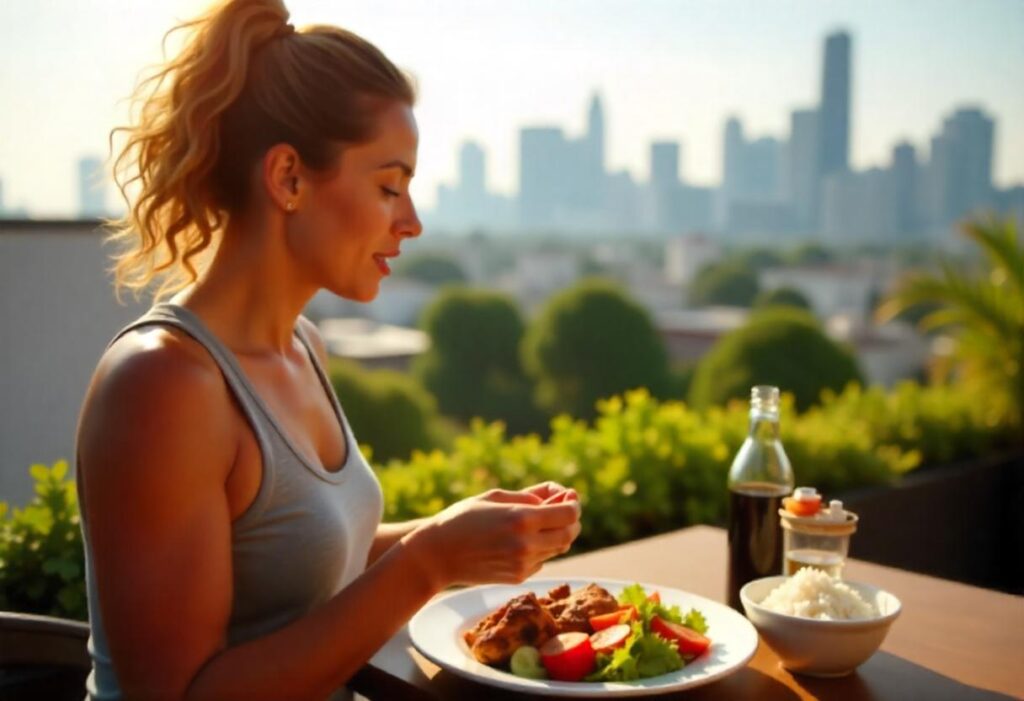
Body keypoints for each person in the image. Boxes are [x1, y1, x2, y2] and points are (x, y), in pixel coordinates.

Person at [75, 1, 582, 699]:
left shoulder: (301, 346)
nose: (411, 221)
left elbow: (299, 560)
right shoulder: (163, 383)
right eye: (388, 186)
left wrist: (455, 533)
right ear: (288, 177)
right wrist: (428, 562)